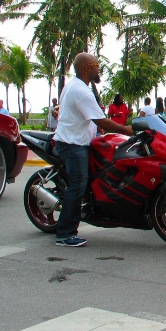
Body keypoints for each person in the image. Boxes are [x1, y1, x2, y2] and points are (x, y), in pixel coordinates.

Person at [53, 52, 133, 247]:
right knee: (78, 184)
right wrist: (126, 130)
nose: (99, 68)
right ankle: (64, 234)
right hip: (73, 145)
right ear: (87, 68)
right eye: (96, 65)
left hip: (79, 141)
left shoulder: (74, 86)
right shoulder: (80, 90)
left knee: (89, 181)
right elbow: (101, 120)